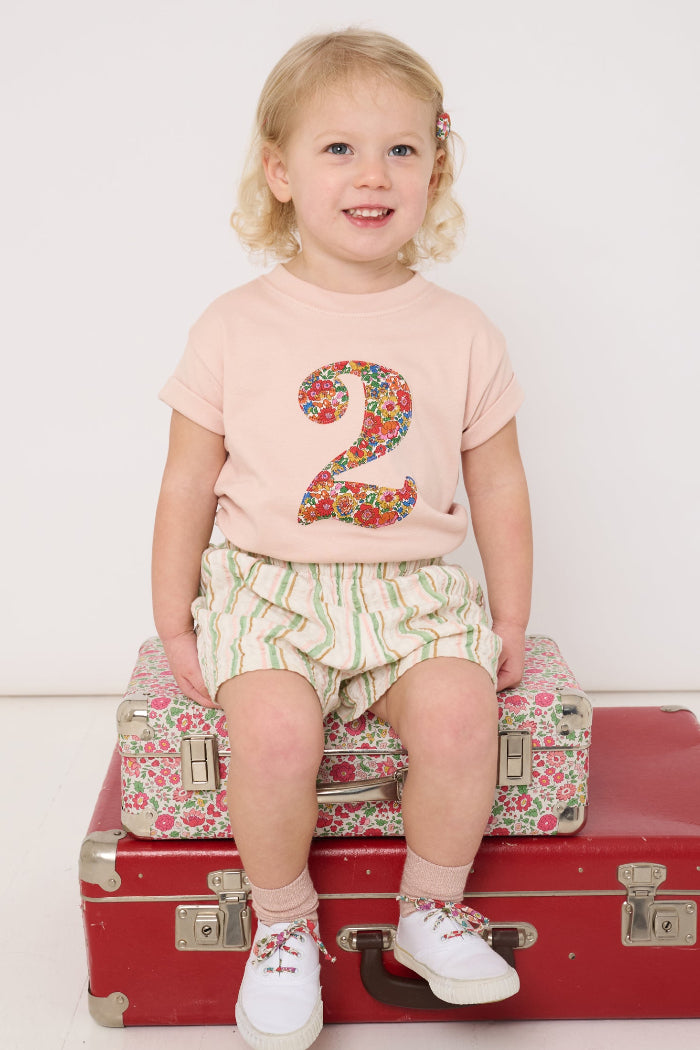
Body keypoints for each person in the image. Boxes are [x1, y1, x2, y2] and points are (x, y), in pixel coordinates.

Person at [152, 26, 532, 1050]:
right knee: (275, 734)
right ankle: (280, 930)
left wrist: (505, 616)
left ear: (435, 168)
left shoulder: (460, 330)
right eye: (337, 149)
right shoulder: (234, 323)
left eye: (401, 150)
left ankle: (429, 912)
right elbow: (188, 478)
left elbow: (497, 482)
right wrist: (174, 620)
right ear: (278, 171)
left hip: (411, 591)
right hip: (272, 593)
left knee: (459, 715)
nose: (372, 175)